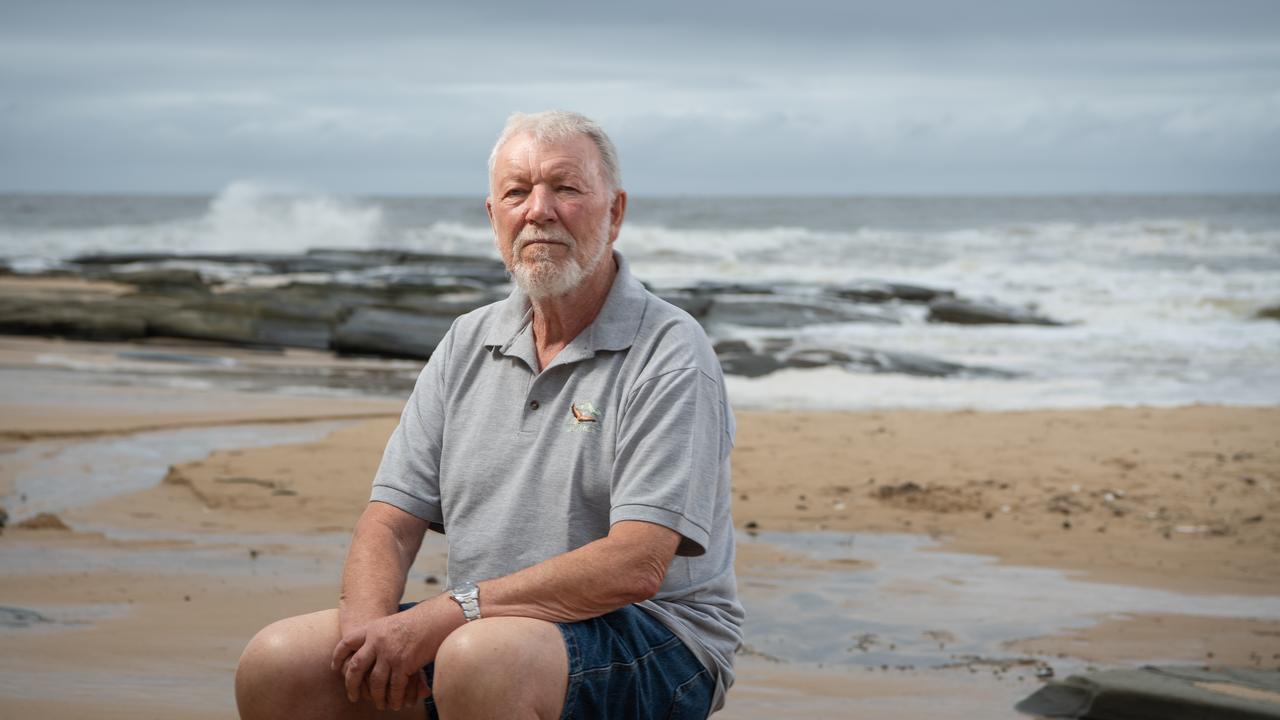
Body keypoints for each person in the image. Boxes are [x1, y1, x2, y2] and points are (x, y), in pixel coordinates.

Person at [235, 110, 743, 720]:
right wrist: (367, 641)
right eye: (517, 191)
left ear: (615, 212)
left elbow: (636, 564)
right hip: (488, 624)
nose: (539, 210)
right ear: (493, 216)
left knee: (480, 659)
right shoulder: (467, 340)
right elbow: (390, 522)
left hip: (658, 637)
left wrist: (450, 613)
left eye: (566, 188)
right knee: (281, 660)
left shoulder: (668, 349)